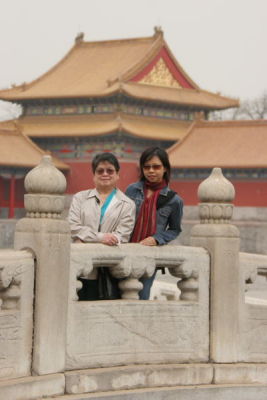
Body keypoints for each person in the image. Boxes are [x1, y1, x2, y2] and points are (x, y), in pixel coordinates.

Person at [68, 152, 135, 300]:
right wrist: (101, 237)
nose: (105, 174)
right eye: (100, 171)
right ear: (94, 175)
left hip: (107, 270)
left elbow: (121, 236)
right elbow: (73, 227)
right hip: (79, 267)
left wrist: (86, 238)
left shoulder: (127, 204)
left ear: (117, 175)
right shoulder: (80, 198)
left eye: (110, 171)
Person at [125, 146, 183, 300]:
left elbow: (175, 229)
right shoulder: (131, 191)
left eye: (156, 167)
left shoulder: (174, 200)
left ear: (165, 169)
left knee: (142, 297)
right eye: (147, 167)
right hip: (125, 251)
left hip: (149, 257)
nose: (151, 171)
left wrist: (157, 239)